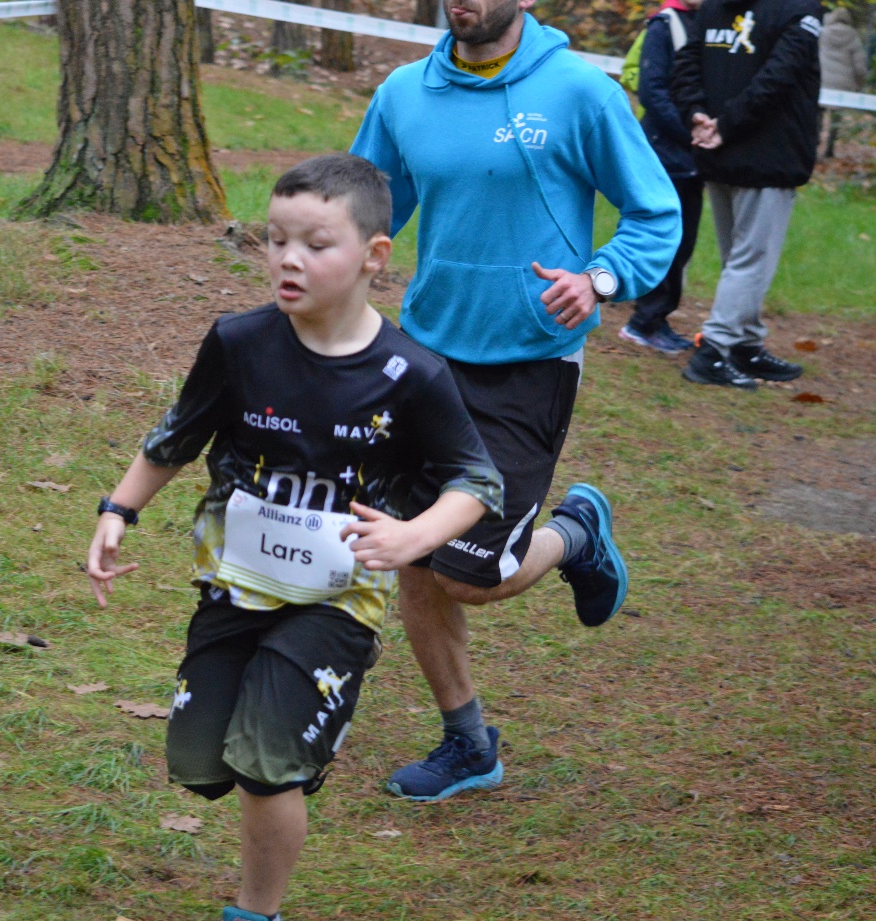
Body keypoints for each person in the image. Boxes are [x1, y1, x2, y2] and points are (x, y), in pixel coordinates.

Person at [86, 154, 504, 921]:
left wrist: (414, 535)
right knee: (201, 761)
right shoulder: (240, 343)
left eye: (315, 243)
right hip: (234, 585)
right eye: (276, 240)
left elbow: (476, 483)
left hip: (338, 602)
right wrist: (120, 508)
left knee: (263, 766)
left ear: (375, 256)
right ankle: (299, 735)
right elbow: (176, 436)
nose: (287, 259)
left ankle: (255, 909)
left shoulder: (413, 374)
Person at [350, 0, 682, 801]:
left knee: (473, 575)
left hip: (530, 360)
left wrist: (599, 278)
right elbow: (365, 210)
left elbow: (654, 210)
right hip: (426, 352)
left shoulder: (579, 92)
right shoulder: (403, 93)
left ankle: (575, 532)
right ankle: (467, 743)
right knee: (412, 550)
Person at [672, 0, 824, 389]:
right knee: (750, 261)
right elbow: (778, 78)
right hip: (764, 155)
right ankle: (715, 349)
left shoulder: (712, 8)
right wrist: (712, 120)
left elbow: (687, 64)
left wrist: (700, 117)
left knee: (737, 260)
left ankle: (745, 344)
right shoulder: (798, 9)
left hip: (720, 147)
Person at [620, 0, 707, 354]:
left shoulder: (706, 23)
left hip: (694, 154)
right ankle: (643, 322)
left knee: (684, 242)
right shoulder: (663, 26)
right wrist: (687, 131)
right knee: (665, 238)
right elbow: (651, 89)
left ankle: (656, 317)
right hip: (665, 152)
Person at [819, 8, 868, 159]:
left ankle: (815, 141)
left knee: (818, 113)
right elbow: (859, 66)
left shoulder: (823, 33)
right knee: (836, 116)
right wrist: (859, 84)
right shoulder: (853, 36)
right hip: (843, 83)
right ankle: (830, 148)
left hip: (822, 80)